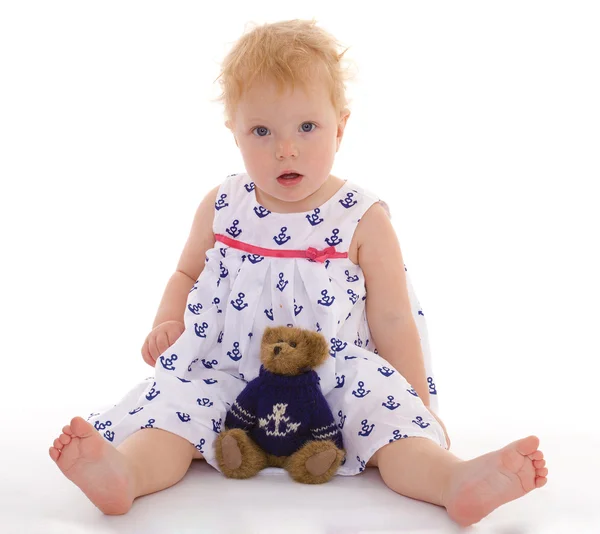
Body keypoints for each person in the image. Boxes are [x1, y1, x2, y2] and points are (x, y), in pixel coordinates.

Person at [48, 18, 548, 527]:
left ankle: (451, 481)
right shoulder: (224, 205)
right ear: (234, 134)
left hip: (333, 379)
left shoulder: (361, 217)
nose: (285, 148)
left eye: (306, 127)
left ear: (341, 126)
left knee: (389, 427)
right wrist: (167, 322)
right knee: (173, 413)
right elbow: (184, 272)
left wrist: (415, 405)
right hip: (228, 372)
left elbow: (394, 319)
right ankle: (126, 474)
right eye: (261, 131)